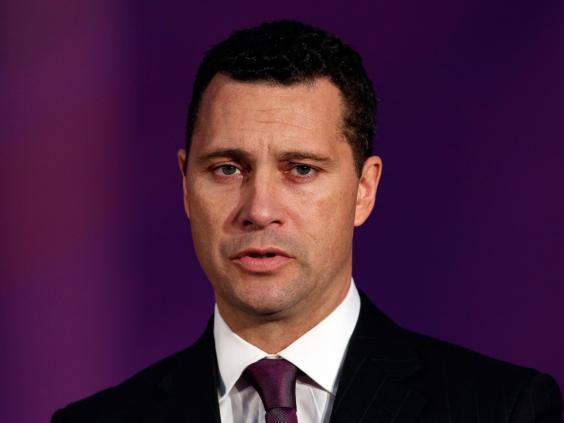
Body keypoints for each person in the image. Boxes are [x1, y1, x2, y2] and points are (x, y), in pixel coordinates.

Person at [52, 20, 563, 423]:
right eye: (227, 168)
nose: (259, 209)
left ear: (364, 190)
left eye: (300, 169)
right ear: (186, 185)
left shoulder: (502, 409)